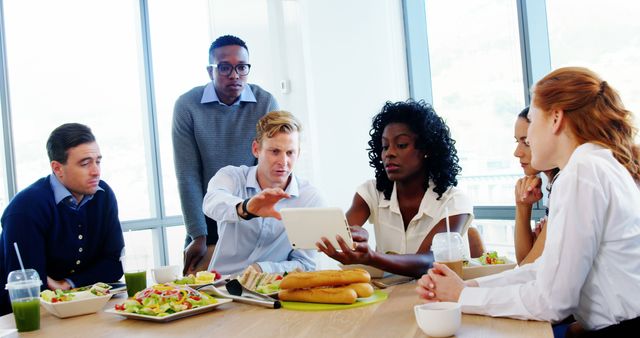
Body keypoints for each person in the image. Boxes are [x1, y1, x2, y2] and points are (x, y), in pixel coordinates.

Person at [417, 67, 640, 335]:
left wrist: (462, 297)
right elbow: (543, 271)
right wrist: (468, 289)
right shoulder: (594, 165)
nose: (529, 139)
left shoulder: (582, 173)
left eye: (532, 122)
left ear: (556, 118)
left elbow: (553, 301)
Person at [317, 100, 473, 278]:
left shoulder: (453, 202)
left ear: (426, 149)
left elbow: (431, 261)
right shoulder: (372, 192)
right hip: (391, 296)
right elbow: (338, 234)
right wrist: (350, 238)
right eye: (384, 146)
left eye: (401, 145)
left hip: (443, 298)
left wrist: (372, 257)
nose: (389, 153)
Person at [173, 35, 279, 275]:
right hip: (207, 216)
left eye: (242, 67)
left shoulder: (265, 103)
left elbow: (271, 166)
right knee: (203, 294)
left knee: (252, 294)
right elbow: (187, 174)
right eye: (224, 68)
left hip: (253, 212)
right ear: (210, 71)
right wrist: (197, 235)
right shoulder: (187, 106)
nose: (234, 75)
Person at [0, 123, 125, 315]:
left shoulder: (103, 195)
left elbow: (114, 266)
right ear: (57, 168)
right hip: (20, 318)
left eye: (98, 161)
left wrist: (67, 284)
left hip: (81, 308)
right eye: (85, 163)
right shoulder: (26, 209)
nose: (95, 171)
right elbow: (31, 286)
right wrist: (84, 281)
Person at [202, 111, 324, 275]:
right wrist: (247, 208)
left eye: (290, 152)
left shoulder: (310, 199)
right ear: (256, 149)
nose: (283, 161)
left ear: (298, 153)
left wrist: (263, 269)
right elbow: (212, 202)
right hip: (221, 287)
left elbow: (305, 264)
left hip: (273, 292)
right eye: (274, 151)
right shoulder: (231, 176)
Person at [513, 106, 560, 265]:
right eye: (517, 141)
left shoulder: (567, 182)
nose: (517, 152)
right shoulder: (555, 184)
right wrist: (522, 205)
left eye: (526, 142)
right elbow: (524, 261)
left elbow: (528, 268)